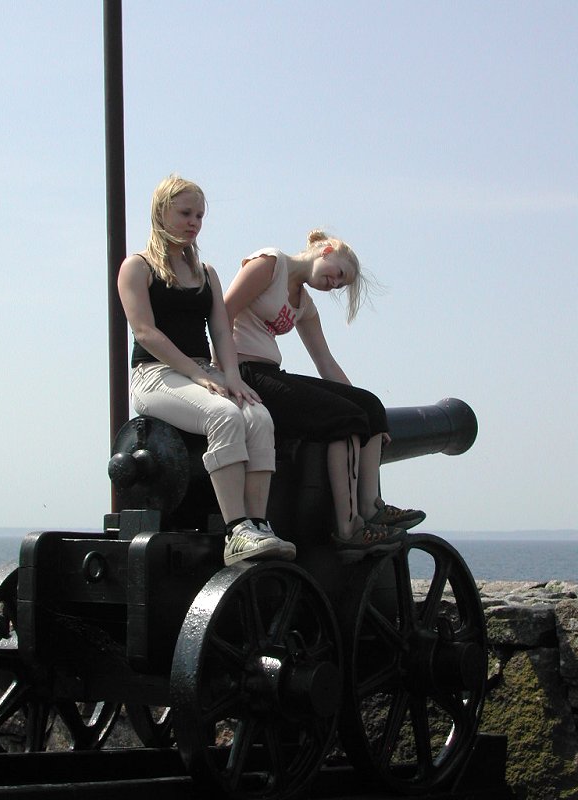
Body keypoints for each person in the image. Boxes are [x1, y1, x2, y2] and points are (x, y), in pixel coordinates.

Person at [117, 174, 296, 567]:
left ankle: (258, 524)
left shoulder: (205, 273)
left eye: (199, 215)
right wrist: (197, 375)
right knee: (224, 415)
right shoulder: (137, 267)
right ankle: (237, 530)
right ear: (161, 212)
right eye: (185, 213)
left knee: (259, 418)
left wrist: (231, 376)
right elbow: (146, 332)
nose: (193, 222)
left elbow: (221, 331)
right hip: (155, 374)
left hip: (202, 370)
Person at [223, 231, 425, 560]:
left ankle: (371, 507)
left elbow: (325, 362)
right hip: (246, 373)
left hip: (270, 372)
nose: (335, 283)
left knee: (369, 405)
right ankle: (348, 527)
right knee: (344, 418)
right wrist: (225, 373)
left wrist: (375, 420)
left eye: (340, 284)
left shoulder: (304, 304)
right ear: (326, 250)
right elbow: (224, 312)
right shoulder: (269, 264)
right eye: (339, 274)